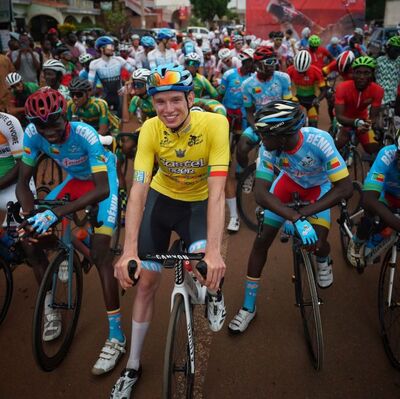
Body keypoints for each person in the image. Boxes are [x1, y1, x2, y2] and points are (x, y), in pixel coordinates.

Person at [111, 64, 229, 398]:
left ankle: (215, 293)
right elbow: (137, 191)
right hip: (162, 201)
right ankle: (132, 365)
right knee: (146, 281)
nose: (168, 110)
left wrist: (215, 251)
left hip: (199, 204)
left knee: (207, 267)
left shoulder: (216, 125)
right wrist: (129, 250)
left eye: (176, 100)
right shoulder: (149, 129)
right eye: (160, 102)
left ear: (191, 98)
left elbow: (218, 192)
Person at [16, 88, 126, 375]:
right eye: (41, 125)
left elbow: (101, 189)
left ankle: (116, 336)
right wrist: (29, 217)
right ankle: (50, 306)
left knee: (101, 257)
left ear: (64, 115)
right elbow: (22, 181)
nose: (48, 131)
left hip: (103, 181)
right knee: (31, 240)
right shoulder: (32, 134)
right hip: (75, 181)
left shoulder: (85, 133)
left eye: (53, 123)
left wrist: (55, 212)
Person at [228, 100, 352, 333]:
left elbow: (345, 189)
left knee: (318, 243)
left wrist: (304, 213)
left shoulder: (320, 141)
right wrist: (294, 217)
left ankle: (324, 259)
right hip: (287, 185)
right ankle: (248, 307)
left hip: (319, 189)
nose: (261, 140)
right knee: (261, 241)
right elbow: (261, 193)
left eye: (265, 135)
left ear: (283, 135)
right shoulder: (269, 148)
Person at [347, 131, 400, 267]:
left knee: (387, 228)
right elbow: (369, 200)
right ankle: (358, 240)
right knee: (373, 213)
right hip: (384, 193)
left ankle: (378, 237)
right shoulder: (387, 155)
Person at [219, 49, 255, 233]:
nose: (252, 65)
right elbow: (219, 94)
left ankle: (242, 172)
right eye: (249, 62)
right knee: (225, 143)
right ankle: (227, 163)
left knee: (242, 145)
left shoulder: (253, 77)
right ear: (242, 62)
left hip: (242, 116)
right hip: (227, 113)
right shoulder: (228, 75)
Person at [334, 56, 384, 155]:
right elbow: (339, 117)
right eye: (358, 72)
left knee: (373, 149)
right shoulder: (342, 87)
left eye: (366, 73)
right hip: (343, 118)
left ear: (372, 74)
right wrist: (356, 122)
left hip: (363, 119)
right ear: (353, 74)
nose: (362, 77)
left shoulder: (378, 90)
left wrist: (366, 125)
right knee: (338, 145)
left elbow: (373, 117)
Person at [89, 36, 134, 116]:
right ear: (102, 48)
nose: (113, 49)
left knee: (121, 121)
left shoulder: (119, 60)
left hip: (119, 95)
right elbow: (90, 84)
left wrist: (127, 85)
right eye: (110, 46)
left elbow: (135, 72)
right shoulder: (94, 64)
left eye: (113, 46)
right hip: (104, 97)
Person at [287, 50, 327, 127]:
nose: (300, 73)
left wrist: (318, 99)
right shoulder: (290, 70)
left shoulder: (316, 71)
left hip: (312, 100)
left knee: (313, 124)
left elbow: (324, 90)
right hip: (298, 99)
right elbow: (285, 87)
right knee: (297, 124)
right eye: (298, 71)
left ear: (308, 66)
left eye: (303, 72)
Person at [375, 36, 400, 106]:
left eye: (399, 50)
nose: (397, 53)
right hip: (378, 98)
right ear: (388, 48)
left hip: (393, 100)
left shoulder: (399, 61)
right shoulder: (379, 60)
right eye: (395, 50)